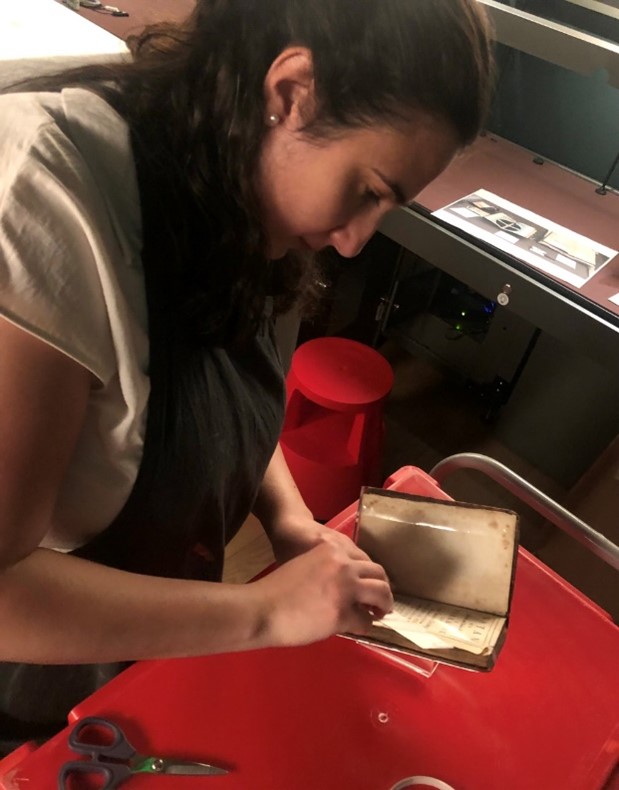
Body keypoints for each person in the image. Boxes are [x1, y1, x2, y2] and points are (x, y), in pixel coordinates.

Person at [0, 0, 493, 752]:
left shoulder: (234, 178)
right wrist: (262, 614)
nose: (357, 242)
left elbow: (220, 393)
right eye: (366, 190)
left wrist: (289, 522)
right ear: (291, 91)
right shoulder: (49, 202)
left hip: (133, 647)